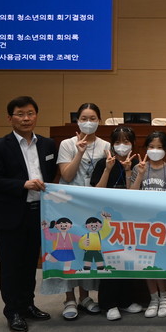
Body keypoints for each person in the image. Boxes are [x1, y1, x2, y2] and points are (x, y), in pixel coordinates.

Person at [0, 96, 57, 332]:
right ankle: (12, 311)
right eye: (20, 114)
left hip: (38, 214)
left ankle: (27, 305)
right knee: (10, 265)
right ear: (10, 118)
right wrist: (22, 184)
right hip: (10, 214)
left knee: (29, 263)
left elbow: (52, 174)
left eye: (30, 113)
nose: (26, 118)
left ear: (36, 115)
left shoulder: (47, 144)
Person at [46, 103, 109, 320]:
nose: (88, 122)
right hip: (68, 205)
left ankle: (85, 296)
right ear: (77, 121)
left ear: (99, 121)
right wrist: (79, 152)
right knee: (68, 250)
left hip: (92, 206)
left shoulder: (106, 146)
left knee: (88, 249)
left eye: (92, 118)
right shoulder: (67, 144)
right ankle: (69, 298)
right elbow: (67, 175)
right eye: (84, 118)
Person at [91, 127, 143, 321]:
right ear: (112, 144)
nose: (122, 146)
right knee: (110, 259)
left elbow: (133, 194)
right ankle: (108, 303)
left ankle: (125, 301)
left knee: (128, 258)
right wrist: (108, 168)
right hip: (107, 218)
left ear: (133, 144)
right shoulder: (103, 163)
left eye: (126, 141)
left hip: (129, 219)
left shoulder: (137, 163)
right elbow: (96, 190)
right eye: (118, 142)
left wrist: (129, 170)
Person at [129, 131, 166, 319]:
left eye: (159, 147)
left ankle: (165, 296)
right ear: (145, 148)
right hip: (143, 224)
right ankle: (153, 298)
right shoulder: (138, 167)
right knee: (146, 262)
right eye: (151, 147)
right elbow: (130, 194)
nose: (155, 150)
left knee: (160, 262)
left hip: (163, 225)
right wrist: (139, 174)